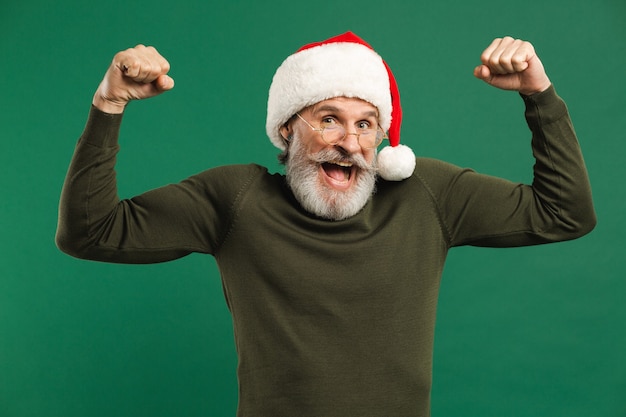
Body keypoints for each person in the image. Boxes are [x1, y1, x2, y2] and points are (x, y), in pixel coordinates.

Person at [56, 32, 596, 417]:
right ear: (288, 129)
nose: (349, 141)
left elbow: (564, 212)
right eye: (329, 118)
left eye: (366, 124)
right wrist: (110, 104)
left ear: (384, 142)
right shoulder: (235, 197)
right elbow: (90, 231)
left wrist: (538, 94)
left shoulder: (426, 193)